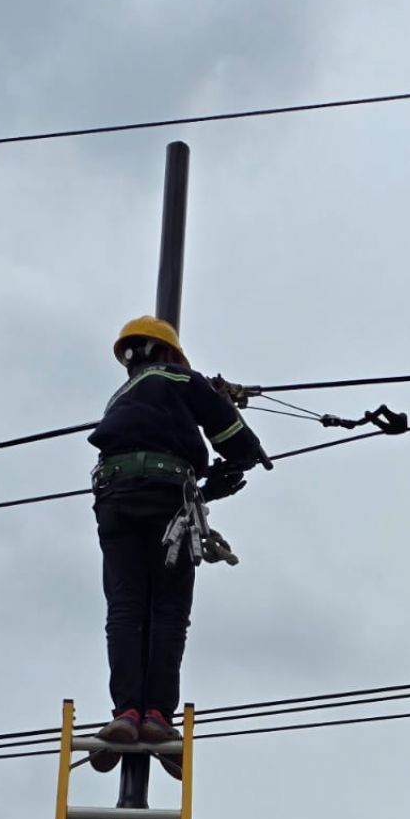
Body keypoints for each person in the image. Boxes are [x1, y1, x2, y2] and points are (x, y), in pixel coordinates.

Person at [87, 315, 270, 777]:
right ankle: (157, 721)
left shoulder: (119, 399)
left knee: (126, 607)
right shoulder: (181, 378)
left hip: (114, 496)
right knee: (168, 611)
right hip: (166, 497)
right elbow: (233, 437)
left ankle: (126, 713)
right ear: (170, 353)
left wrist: (207, 487)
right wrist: (244, 459)